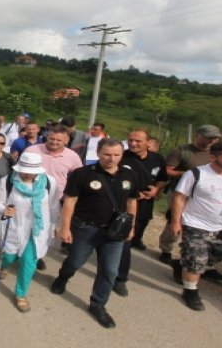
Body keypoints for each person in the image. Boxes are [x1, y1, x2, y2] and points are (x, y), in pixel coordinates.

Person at [49, 139, 140, 328]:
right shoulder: (82, 174)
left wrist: (131, 227)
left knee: (109, 270)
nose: (111, 159)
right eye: (107, 154)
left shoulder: (129, 175)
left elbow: (132, 202)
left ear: (122, 155)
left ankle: (98, 304)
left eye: (116, 155)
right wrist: (64, 228)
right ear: (98, 153)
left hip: (114, 232)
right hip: (85, 228)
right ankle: (63, 277)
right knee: (75, 261)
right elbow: (70, 202)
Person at [169, 143, 222, 311]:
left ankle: (181, 263)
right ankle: (190, 291)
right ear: (213, 157)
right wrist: (176, 222)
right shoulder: (196, 174)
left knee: (214, 257)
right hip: (195, 223)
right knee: (196, 261)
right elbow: (179, 198)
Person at [0, 152, 61, 312]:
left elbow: (54, 207)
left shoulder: (49, 182)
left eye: (32, 172)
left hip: (37, 230)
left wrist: (56, 226)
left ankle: (20, 294)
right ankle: (4, 266)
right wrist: (3, 209)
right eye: (24, 170)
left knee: (29, 262)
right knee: (9, 256)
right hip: (14, 227)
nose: (28, 174)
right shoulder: (7, 181)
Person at [157, 124, 222, 265]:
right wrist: (188, 175)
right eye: (209, 137)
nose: (212, 140)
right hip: (180, 192)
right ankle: (166, 249)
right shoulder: (182, 151)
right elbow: (168, 170)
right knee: (175, 220)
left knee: (196, 224)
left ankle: (188, 253)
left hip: (204, 195)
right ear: (198, 135)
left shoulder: (216, 153)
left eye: (215, 138)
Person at [114, 128, 167, 296]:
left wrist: (155, 190)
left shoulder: (157, 159)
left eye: (138, 141)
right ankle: (120, 278)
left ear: (147, 142)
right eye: (130, 140)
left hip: (144, 205)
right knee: (124, 243)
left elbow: (163, 179)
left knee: (131, 238)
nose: (133, 144)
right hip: (122, 203)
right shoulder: (121, 156)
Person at [25, 125, 83, 268]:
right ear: (47, 137)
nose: (54, 142)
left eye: (59, 140)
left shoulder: (73, 156)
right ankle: (19, 251)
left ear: (67, 140)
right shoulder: (32, 151)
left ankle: (37, 255)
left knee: (45, 231)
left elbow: (79, 178)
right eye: (52, 138)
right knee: (25, 226)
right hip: (30, 197)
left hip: (55, 201)